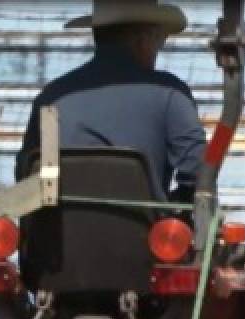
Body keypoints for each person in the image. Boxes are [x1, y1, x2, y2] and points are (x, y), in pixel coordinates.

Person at [15, 0, 206, 202]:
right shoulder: (170, 92)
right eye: (160, 40)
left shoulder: (52, 96)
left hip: (55, 232)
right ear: (144, 39)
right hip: (142, 230)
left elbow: (25, 172)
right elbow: (199, 171)